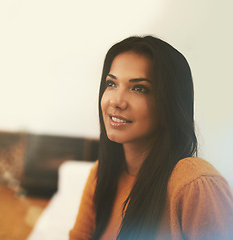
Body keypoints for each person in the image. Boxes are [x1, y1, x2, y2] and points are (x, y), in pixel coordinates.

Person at [69, 36, 233, 239]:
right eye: (111, 84)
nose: (117, 101)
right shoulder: (101, 175)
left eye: (139, 88)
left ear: (169, 104)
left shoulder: (194, 183)